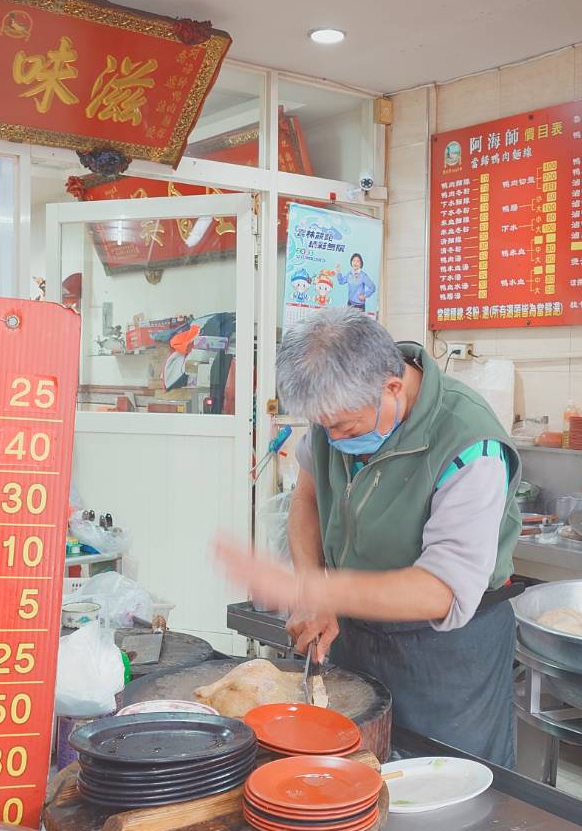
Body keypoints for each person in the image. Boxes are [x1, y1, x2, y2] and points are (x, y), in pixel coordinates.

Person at [215, 309, 523, 765]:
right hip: (358, 635)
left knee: (448, 798)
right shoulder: (337, 415)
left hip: (448, 656)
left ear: (392, 388)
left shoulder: (470, 444)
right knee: (350, 774)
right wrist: (313, 590)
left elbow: (440, 591)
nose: (334, 439)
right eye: (325, 428)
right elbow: (308, 499)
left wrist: (315, 588)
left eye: (346, 427)